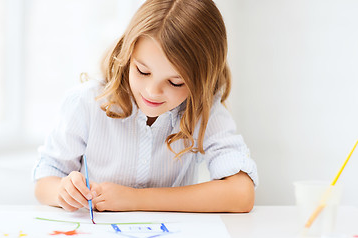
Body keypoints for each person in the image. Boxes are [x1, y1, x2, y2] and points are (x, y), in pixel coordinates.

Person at [33, 0, 258, 213]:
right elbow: (45, 181)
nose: (152, 91)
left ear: (202, 81)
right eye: (142, 71)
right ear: (128, 53)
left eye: (175, 82)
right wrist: (62, 191)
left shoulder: (203, 110)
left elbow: (241, 193)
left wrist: (135, 199)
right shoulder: (86, 103)